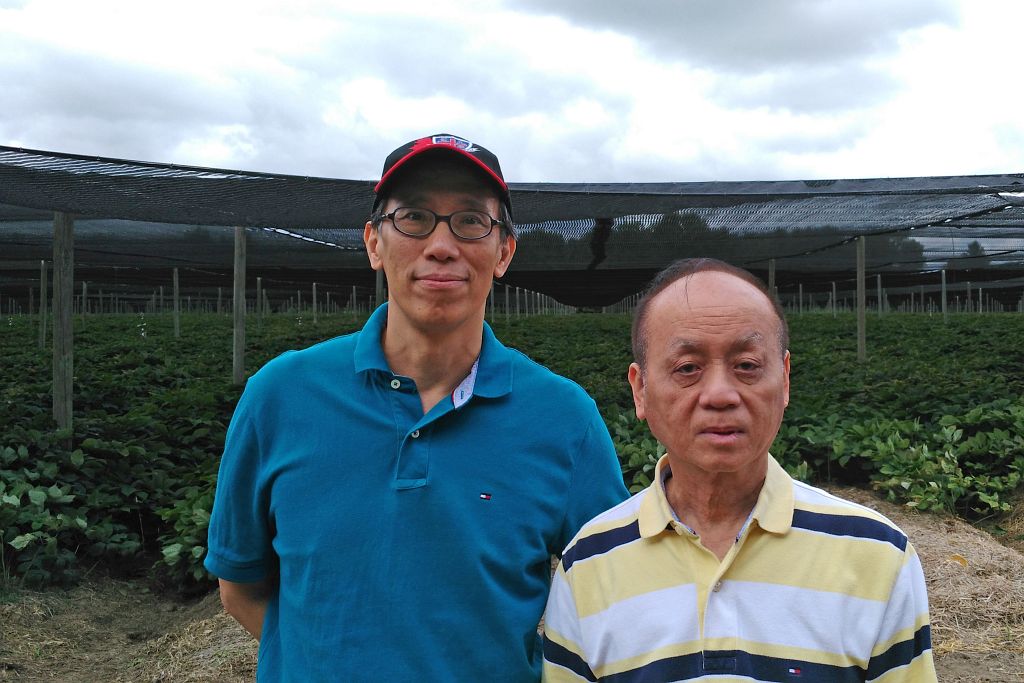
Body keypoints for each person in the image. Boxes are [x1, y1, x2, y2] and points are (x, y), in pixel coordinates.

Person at [204, 133, 629, 682]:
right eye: (413, 218)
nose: (441, 245)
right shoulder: (280, 395)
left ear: (504, 252)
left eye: (471, 221)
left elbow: (612, 597)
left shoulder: (564, 417)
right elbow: (240, 587)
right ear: (374, 243)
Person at [542, 258, 936, 682]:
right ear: (641, 390)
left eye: (747, 365)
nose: (720, 394)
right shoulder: (587, 566)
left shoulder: (877, 555)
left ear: (784, 380)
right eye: (687, 368)